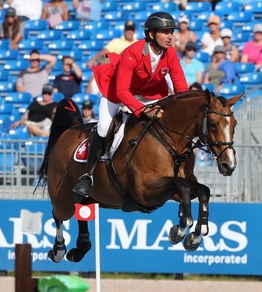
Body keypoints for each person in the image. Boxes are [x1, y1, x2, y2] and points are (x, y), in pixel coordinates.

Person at [73, 12, 189, 199]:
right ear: (151, 35)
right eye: (165, 32)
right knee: (103, 127)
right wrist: (143, 110)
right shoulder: (132, 53)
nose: (170, 36)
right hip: (117, 92)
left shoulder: (171, 54)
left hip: (150, 94)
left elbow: (182, 89)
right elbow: (122, 91)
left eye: (171, 32)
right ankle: (88, 175)